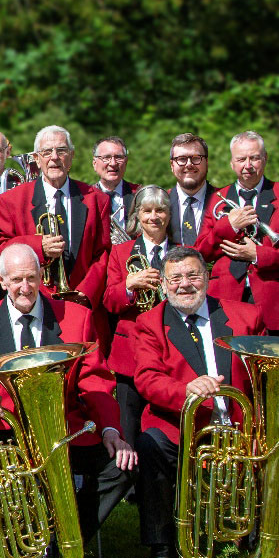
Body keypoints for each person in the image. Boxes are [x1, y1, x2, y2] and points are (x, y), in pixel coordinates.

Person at [129, 247, 279, 558]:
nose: (185, 285)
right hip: (187, 427)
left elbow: (268, 378)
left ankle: (266, 540)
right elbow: (147, 379)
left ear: (206, 278)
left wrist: (261, 430)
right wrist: (187, 390)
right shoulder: (149, 323)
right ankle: (163, 549)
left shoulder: (246, 316)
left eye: (192, 275)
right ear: (163, 285)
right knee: (150, 448)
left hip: (244, 426)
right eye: (175, 278)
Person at [0, 244, 133, 541]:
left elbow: (95, 381)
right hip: (6, 430)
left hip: (64, 430)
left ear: (42, 276)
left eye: (32, 278)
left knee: (121, 466)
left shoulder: (77, 317)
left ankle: (66, 536)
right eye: (17, 280)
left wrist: (111, 430)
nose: (26, 288)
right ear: (1, 281)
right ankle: (17, 535)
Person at [196, 131, 279, 338]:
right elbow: (202, 252)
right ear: (232, 163)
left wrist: (258, 255)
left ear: (265, 159)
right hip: (227, 301)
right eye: (241, 159)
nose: (248, 165)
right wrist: (230, 226)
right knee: (232, 368)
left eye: (254, 158)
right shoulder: (217, 199)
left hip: (277, 302)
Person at [0, 125, 112, 306]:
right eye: (47, 152)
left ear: (71, 156)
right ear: (36, 159)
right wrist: (38, 246)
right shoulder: (10, 201)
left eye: (61, 150)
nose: (54, 157)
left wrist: (86, 292)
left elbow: (102, 253)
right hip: (32, 301)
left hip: (82, 303)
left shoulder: (97, 199)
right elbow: (3, 249)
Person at [100, 185, 172, 450]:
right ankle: (129, 485)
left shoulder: (181, 252)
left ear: (169, 215)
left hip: (169, 352)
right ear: (137, 216)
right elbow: (109, 300)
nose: (154, 217)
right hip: (129, 352)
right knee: (128, 424)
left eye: (160, 210)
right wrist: (130, 284)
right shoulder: (121, 253)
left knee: (165, 423)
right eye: (147, 211)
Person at [165, 133, 220, 247]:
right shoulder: (161, 203)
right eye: (182, 159)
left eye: (196, 158)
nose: (189, 164)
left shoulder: (223, 202)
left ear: (207, 162)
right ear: (172, 165)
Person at [92, 136, 137, 235]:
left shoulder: (139, 195)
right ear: (94, 164)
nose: (113, 163)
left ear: (126, 162)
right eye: (106, 157)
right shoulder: (85, 197)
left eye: (118, 157)